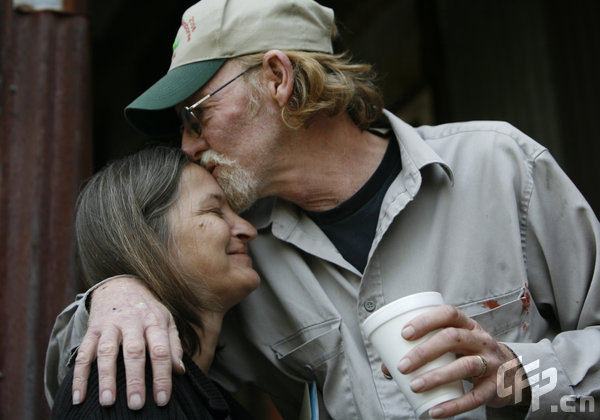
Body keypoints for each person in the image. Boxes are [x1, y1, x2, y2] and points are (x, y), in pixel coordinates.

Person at [46, 0, 600, 418]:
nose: (187, 146)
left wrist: (519, 375)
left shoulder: (499, 166)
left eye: (196, 114)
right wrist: (118, 290)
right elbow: (100, 382)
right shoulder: (235, 253)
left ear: (278, 78)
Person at [50, 146, 257, 418]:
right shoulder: (123, 386)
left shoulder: (204, 395)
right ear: (147, 240)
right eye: (215, 211)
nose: (248, 230)